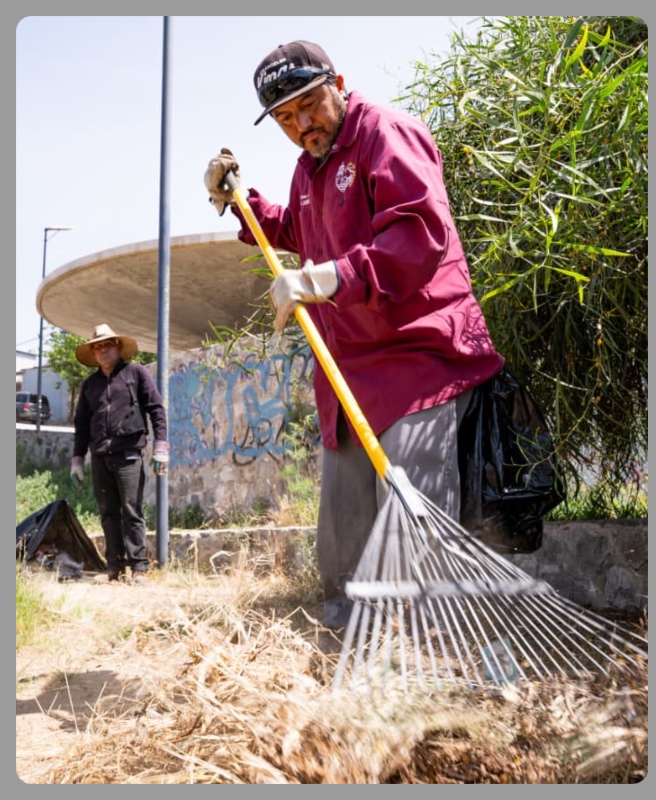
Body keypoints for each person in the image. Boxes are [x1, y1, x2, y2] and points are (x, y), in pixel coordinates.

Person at [203, 40, 504, 628]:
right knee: (342, 533)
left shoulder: (385, 134)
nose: (301, 125)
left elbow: (418, 237)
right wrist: (237, 200)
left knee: (410, 522)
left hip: (419, 363)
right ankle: (345, 638)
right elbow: (297, 229)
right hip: (348, 376)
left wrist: (324, 278)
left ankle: (428, 645)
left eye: (309, 105)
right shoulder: (308, 169)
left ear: (338, 85)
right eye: (285, 118)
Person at [70, 324, 169, 584]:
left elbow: (156, 409)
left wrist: (161, 448)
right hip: (100, 457)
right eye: (97, 347)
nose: (102, 350)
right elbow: (81, 426)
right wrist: (77, 461)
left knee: (131, 510)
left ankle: (139, 569)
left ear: (118, 347)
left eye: (107, 345)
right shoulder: (90, 385)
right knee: (108, 513)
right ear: (93, 353)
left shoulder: (135, 373)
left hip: (128, 455)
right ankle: (114, 569)